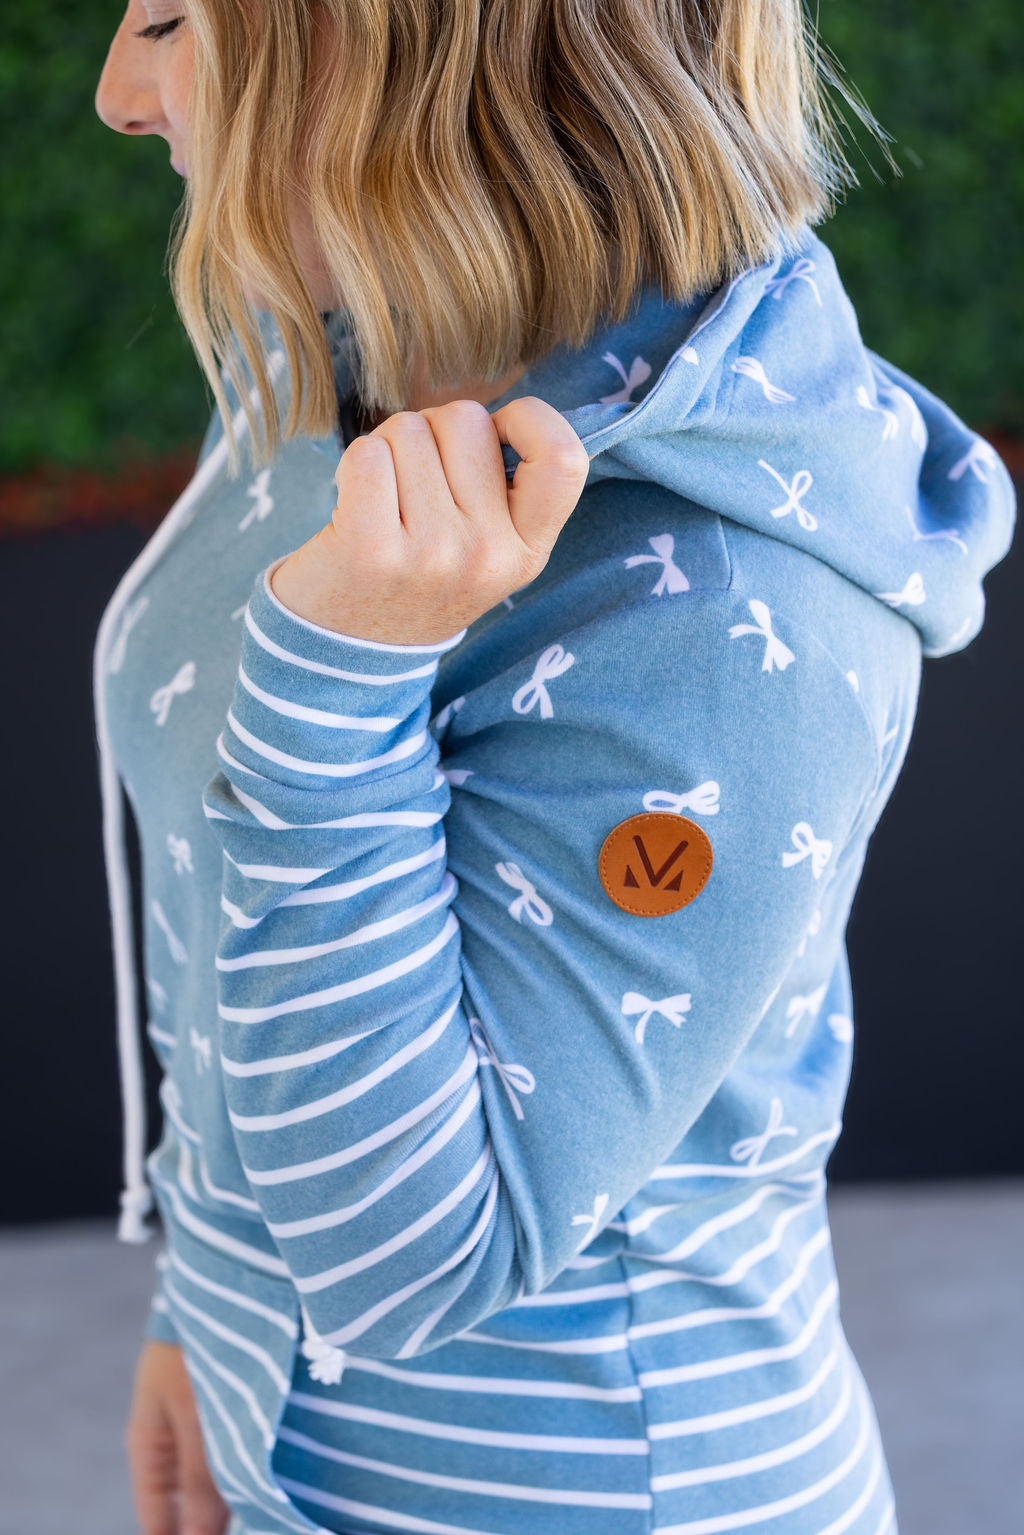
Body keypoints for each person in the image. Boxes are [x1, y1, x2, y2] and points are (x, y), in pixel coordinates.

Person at [92, 4, 1015, 1535]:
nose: (121, 94)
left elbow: (419, 1269)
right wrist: (204, 1297)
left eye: (172, 18)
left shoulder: (736, 606)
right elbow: (220, 903)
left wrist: (338, 682)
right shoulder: (348, 328)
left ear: (409, 43)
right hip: (286, 1444)